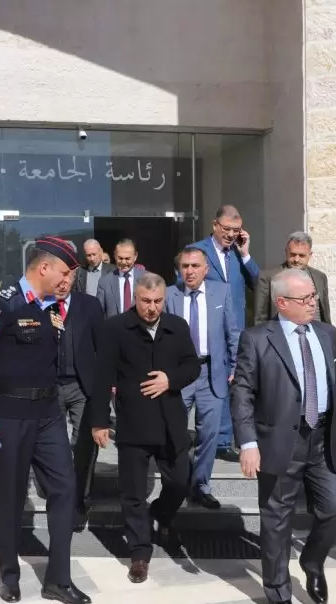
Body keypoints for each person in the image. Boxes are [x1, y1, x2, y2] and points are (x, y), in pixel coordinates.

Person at [0, 236, 91, 604]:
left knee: (65, 489)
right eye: (64, 272)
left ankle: (59, 580)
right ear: (44, 267)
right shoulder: (2, 303)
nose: (67, 280)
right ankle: (9, 575)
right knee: (11, 496)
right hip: (8, 416)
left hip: (48, 414)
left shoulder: (52, 307)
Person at [231, 267, 336, 604]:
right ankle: (278, 591)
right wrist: (248, 443)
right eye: (306, 299)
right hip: (279, 441)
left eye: (314, 296)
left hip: (323, 437)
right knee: (276, 519)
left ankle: (312, 560)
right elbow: (242, 393)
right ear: (282, 303)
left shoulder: (327, 333)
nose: (313, 303)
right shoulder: (257, 338)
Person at [91, 272, 201, 583]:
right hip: (134, 422)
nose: (151, 308)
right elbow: (102, 377)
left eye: (157, 302)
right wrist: (99, 421)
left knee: (180, 480)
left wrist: (170, 379)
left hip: (171, 421)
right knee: (133, 492)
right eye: (145, 301)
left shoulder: (177, 326)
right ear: (134, 298)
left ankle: (163, 516)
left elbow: (192, 365)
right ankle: (139, 552)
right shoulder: (115, 328)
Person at [165, 247, 239, 509]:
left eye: (195, 266)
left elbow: (232, 332)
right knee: (173, 430)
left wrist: (235, 367)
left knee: (208, 433)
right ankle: (177, 482)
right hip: (179, 374)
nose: (190, 271)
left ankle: (200, 485)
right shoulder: (169, 295)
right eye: (185, 266)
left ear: (206, 269)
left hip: (211, 372)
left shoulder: (222, 292)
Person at [189, 205, 261, 453]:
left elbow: (258, 284)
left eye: (236, 230)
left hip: (236, 329)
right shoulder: (197, 251)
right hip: (209, 330)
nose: (231, 234)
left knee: (235, 382)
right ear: (215, 225)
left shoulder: (238, 254)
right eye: (227, 229)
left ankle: (227, 439)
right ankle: (215, 438)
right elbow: (184, 284)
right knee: (213, 383)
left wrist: (246, 254)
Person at [53, 268, 104, 527]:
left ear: (75, 277)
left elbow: (102, 346)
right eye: (58, 278)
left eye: (68, 277)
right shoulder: (40, 304)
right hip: (49, 387)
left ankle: (80, 499)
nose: (63, 284)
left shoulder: (90, 305)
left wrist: (105, 385)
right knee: (54, 445)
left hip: (82, 386)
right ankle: (58, 492)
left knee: (84, 444)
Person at [255, 232, 331, 325]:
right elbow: (260, 317)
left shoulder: (320, 277)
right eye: (293, 254)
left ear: (310, 255)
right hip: (282, 332)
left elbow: (325, 314)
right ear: (286, 252)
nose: (296, 260)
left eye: (301, 255)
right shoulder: (268, 277)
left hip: (315, 331)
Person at [96, 239, 141, 317]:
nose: (123, 262)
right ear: (115, 255)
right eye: (120, 258)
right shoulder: (104, 282)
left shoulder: (146, 279)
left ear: (135, 256)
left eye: (127, 259)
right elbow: (99, 313)